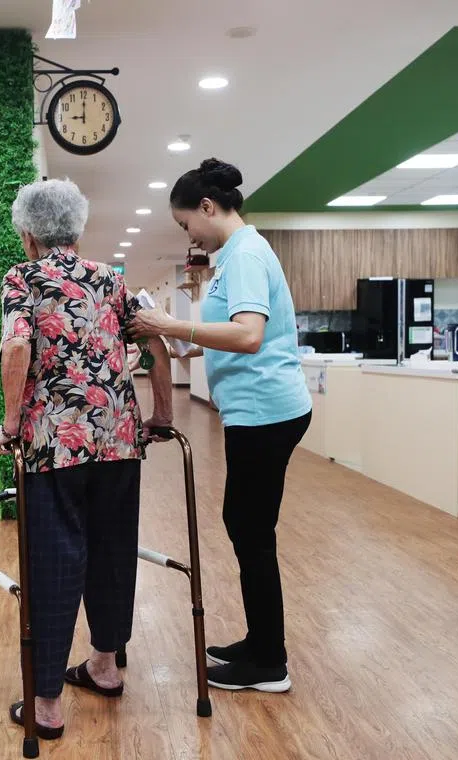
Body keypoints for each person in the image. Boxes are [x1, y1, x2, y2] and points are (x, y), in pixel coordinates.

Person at [0, 178, 175, 740]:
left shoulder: (24, 277)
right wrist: (160, 415)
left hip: (56, 444)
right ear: (78, 228)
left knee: (55, 558)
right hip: (119, 439)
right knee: (113, 549)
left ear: (27, 234)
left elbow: (18, 346)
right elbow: (155, 343)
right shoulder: (111, 278)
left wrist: (13, 424)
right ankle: (106, 666)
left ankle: (46, 702)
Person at [130, 158, 312, 694]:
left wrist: (172, 323)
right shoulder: (233, 256)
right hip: (255, 411)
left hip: (267, 411)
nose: (189, 235)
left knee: (250, 530)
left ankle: (269, 662)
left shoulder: (247, 253)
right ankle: (260, 644)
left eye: (187, 224)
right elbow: (224, 331)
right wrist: (175, 337)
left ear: (208, 208)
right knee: (246, 526)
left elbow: (249, 335)